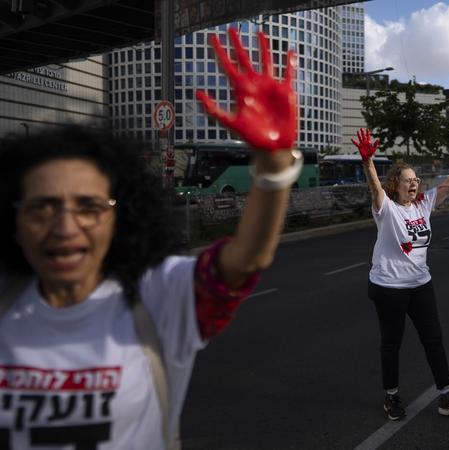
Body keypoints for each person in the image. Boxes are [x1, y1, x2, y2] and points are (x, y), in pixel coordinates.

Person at [0, 27, 298, 449]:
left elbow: (243, 262)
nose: (65, 227)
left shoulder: (160, 294)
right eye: (43, 207)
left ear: (120, 216)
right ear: (14, 219)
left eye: (89, 207)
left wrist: (272, 164)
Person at [351, 128, 449, 421]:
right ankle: (391, 397)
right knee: (392, 342)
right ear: (395, 185)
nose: (413, 184)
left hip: (420, 284)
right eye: (407, 181)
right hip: (388, 286)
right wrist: (368, 162)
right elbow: (374, 188)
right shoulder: (386, 209)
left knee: (433, 340)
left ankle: (446, 396)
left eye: (416, 180)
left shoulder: (423, 204)